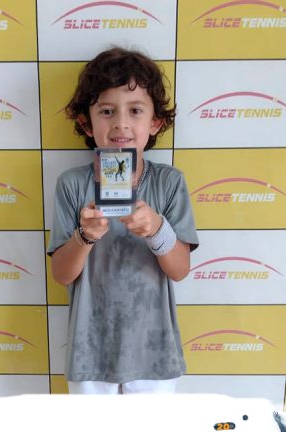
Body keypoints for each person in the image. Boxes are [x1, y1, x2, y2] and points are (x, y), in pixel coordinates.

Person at [47, 47, 199, 395]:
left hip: (154, 351)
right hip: (90, 351)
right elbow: (62, 274)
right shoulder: (72, 185)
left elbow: (179, 270)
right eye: (106, 111)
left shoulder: (169, 182)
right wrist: (85, 236)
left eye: (135, 110)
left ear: (155, 122)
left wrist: (157, 230)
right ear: (86, 122)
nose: (120, 123)